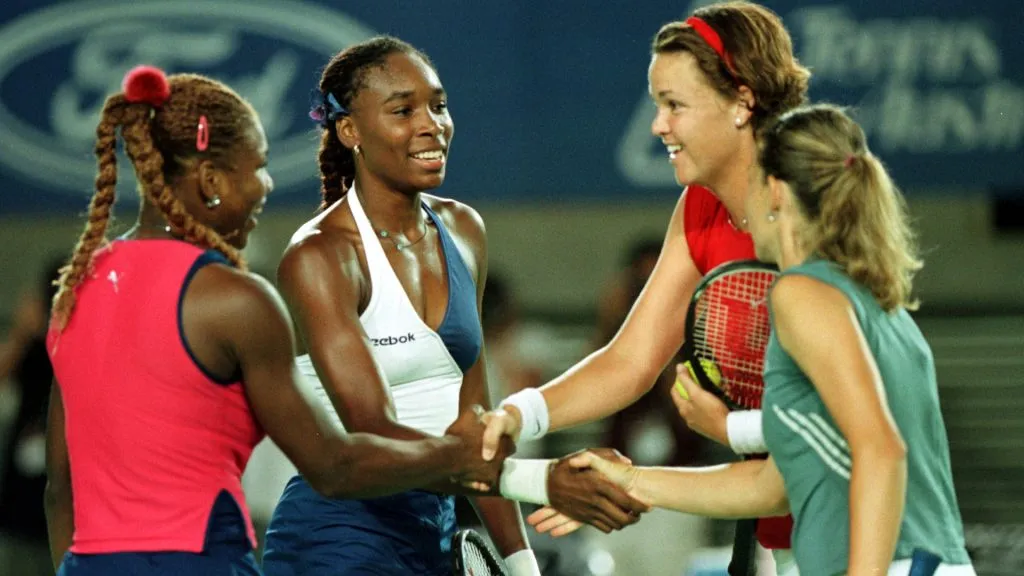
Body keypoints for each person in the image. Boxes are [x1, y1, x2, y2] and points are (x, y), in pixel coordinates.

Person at [43, 65, 509, 576]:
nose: (266, 186)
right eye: (259, 167)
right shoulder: (235, 300)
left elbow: (60, 490)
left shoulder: (78, 289)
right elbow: (335, 467)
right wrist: (464, 458)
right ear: (212, 182)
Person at [260, 36, 644, 576]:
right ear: (350, 131)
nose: (431, 125)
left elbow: (476, 422)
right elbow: (374, 434)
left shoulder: (464, 231)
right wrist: (538, 479)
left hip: (437, 532)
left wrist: (521, 566)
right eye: (402, 110)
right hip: (337, 540)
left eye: (438, 105)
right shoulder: (319, 256)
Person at [560, 103, 977, 576]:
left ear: (775, 191)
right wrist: (631, 479)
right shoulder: (873, 301)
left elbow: (882, 450)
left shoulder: (800, 293)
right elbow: (769, 487)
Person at [480, 2, 810, 572]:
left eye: (674, 105)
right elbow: (632, 360)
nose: (658, 124)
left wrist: (717, 434)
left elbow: (831, 431)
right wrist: (518, 413)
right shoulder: (699, 206)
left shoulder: (811, 209)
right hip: (778, 517)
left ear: (741, 101)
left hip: (857, 524)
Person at [0, 258, 63, 576]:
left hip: (69, 514)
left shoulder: (86, 351)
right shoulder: (31, 349)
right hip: (21, 508)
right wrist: (21, 333)